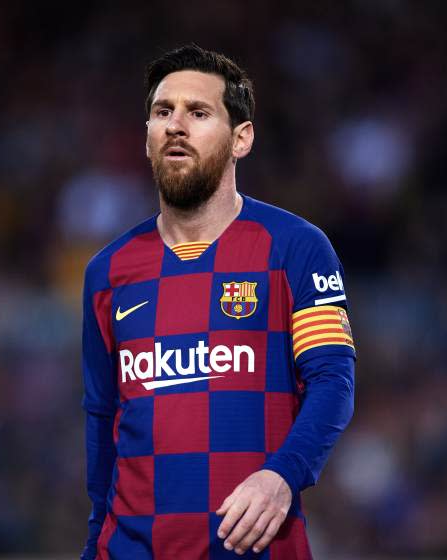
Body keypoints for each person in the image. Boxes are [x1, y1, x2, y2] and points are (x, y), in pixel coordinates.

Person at [81, 44, 355, 559]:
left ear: (241, 139)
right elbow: (101, 419)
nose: (175, 125)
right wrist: (93, 543)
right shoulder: (107, 272)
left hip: (256, 549)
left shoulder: (295, 248)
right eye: (163, 112)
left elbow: (333, 381)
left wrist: (282, 475)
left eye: (198, 112)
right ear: (146, 137)